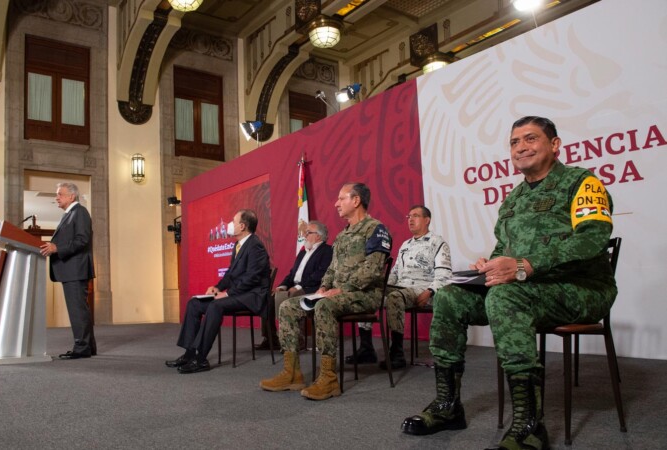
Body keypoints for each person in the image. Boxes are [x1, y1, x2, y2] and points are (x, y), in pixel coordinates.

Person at [401, 116, 617, 450]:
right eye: (514, 143)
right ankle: (448, 406)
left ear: (555, 145)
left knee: (506, 299)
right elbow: (504, 249)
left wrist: (525, 265)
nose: (521, 148)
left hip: (581, 290)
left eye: (530, 139)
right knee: (448, 298)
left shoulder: (581, 183)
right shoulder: (513, 199)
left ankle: (530, 425)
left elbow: (591, 242)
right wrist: (489, 264)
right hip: (527, 289)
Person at [260, 182, 391, 400]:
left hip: (364, 294)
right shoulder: (342, 235)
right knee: (287, 306)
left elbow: (373, 270)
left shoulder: (375, 229)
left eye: (341, 199)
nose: (336, 203)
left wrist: (342, 289)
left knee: (324, 306)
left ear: (356, 200)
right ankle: (292, 373)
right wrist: (324, 287)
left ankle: (329, 378)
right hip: (338, 293)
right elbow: (331, 269)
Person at [347, 205, 452, 368]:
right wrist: (379, 283)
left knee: (395, 298)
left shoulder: (437, 242)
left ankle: (397, 353)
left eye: (415, 216)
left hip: (421, 288)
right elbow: (396, 273)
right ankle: (366, 348)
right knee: (367, 291)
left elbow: (444, 274)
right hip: (401, 287)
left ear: (427, 220)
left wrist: (430, 292)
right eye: (409, 216)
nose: (410, 219)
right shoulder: (405, 244)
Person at [166, 209, 270, 374]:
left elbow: (252, 278)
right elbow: (230, 274)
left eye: (233, 221)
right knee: (194, 303)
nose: (230, 224)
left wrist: (227, 294)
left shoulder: (255, 246)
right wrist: (218, 288)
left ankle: (201, 359)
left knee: (215, 306)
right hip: (239, 294)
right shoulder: (238, 245)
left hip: (252, 297)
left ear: (242, 226)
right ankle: (189, 353)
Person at [40, 182, 97, 359]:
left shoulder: (80, 212)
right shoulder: (70, 214)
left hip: (76, 269)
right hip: (71, 269)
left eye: (60, 194)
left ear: (71, 196)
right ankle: (88, 347)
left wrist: (57, 248)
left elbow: (82, 240)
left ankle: (82, 348)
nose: (56, 197)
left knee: (77, 310)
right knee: (79, 309)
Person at [256, 220, 333, 350]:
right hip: (295, 287)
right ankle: (271, 339)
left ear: (318, 236)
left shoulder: (327, 251)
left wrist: (298, 287)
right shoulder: (303, 252)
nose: (305, 235)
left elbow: (320, 274)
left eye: (308, 233)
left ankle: (294, 341)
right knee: (267, 299)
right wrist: (282, 286)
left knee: (287, 297)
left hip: (312, 289)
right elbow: (292, 274)